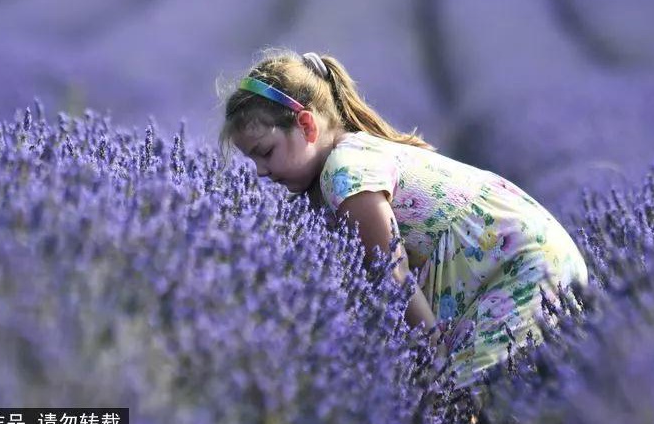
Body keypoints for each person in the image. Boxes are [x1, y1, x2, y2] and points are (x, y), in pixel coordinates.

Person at [218, 47, 588, 392]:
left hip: (522, 265)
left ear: (307, 126)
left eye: (265, 153)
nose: (260, 172)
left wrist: (435, 367)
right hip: (523, 256)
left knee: (469, 400)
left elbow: (392, 277)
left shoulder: (345, 174)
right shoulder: (352, 156)